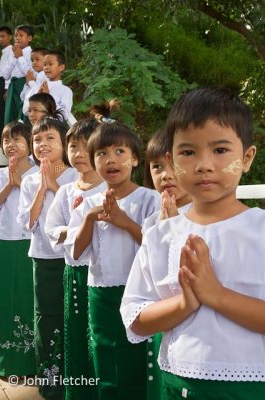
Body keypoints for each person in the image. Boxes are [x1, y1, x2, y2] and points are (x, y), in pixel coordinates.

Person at [120, 87, 265, 400]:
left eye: (220, 150)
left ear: (247, 158)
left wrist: (217, 295)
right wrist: (185, 304)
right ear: (171, 161)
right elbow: (136, 318)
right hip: (176, 385)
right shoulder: (160, 235)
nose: (203, 164)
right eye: (188, 152)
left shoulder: (260, 231)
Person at [64, 99, 160, 400]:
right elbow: (76, 255)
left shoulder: (149, 199)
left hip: (140, 292)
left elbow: (158, 249)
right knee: (103, 356)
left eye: (120, 151)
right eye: (102, 153)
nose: (111, 159)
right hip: (100, 292)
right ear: (94, 163)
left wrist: (124, 222)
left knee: (135, 358)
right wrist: (90, 219)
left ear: (134, 160)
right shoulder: (89, 202)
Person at [45, 119, 105, 400]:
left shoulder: (110, 188)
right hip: (74, 273)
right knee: (76, 338)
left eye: (86, 147)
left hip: (105, 275)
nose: (79, 153)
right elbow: (51, 228)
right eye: (73, 147)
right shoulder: (67, 191)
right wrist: (77, 230)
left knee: (101, 340)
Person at [17, 117, 77, 400]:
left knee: (74, 318)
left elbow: (79, 221)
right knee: (47, 318)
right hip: (43, 259)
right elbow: (26, 224)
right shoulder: (29, 180)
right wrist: (41, 187)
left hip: (73, 259)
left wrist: (54, 184)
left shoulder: (77, 176)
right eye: (37, 140)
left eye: (50, 138)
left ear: (64, 143)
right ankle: (51, 384)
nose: (42, 144)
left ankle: (78, 380)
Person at [143, 128, 192, 400]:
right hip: (160, 315)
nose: (166, 175)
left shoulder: (203, 215)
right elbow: (151, 274)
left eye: (175, 164)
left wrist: (174, 229)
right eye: (157, 167)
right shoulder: (152, 219)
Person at [0, 121, 37, 378]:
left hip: (33, 245)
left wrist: (21, 183)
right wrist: (9, 184)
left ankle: (32, 363)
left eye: (17, 140)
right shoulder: (0, 173)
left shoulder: (41, 171)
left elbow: (45, 203)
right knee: (5, 300)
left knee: (28, 300)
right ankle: (6, 362)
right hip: (4, 242)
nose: (11, 145)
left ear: (29, 143)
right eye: (6, 141)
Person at [22, 50, 73, 122]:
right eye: (45, 64)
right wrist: (38, 97)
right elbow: (25, 110)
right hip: (36, 127)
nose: (46, 67)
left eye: (50, 64)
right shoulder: (37, 87)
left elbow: (63, 115)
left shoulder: (66, 91)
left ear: (61, 67)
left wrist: (48, 97)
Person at [3, 24, 33, 125]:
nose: (17, 38)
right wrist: (14, 57)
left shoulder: (32, 54)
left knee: (22, 113)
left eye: (21, 35)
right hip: (12, 87)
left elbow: (29, 73)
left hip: (23, 85)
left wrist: (20, 57)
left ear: (29, 38)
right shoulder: (13, 53)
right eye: (16, 35)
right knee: (10, 115)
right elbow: (5, 75)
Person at [20, 47, 49, 117]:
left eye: (37, 59)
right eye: (32, 60)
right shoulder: (35, 75)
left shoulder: (45, 75)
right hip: (29, 111)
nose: (34, 62)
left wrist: (31, 82)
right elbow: (22, 96)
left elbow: (39, 92)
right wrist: (27, 84)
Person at [0, 26, 13, 142]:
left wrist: (7, 89)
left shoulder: (12, 51)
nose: (0, 39)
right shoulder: (5, 52)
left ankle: (2, 138)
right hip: (0, 82)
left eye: (3, 36)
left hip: (3, 84)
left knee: (2, 112)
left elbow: (10, 71)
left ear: (10, 37)